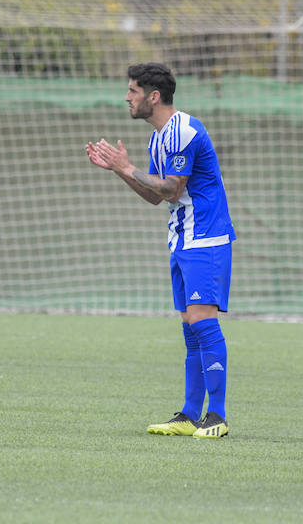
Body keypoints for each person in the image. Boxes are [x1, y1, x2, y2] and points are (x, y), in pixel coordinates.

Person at [86, 62, 236, 439]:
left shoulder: (184, 131)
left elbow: (170, 188)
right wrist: (121, 170)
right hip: (182, 238)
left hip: (205, 238)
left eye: (133, 91)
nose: (127, 97)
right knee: (190, 328)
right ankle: (189, 414)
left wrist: (127, 165)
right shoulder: (158, 138)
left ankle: (216, 416)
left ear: (153, 96)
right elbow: (157, 197)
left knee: (203, 321)